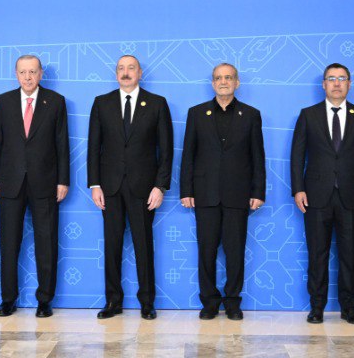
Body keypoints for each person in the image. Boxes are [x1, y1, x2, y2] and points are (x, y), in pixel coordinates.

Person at [290, 62, 354, 325]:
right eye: (331, 78)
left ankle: (349, 308)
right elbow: (297, 155)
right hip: (316, 196)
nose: (337, 83)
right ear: (323, 84)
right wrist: (298, 189)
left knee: (349, 255)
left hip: (352, 196)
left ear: (349, 84)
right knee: (317, 254)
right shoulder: (308, 115)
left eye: (342, 78)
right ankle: (316, 307)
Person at [87, 55, 173, 320]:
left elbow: (166, 150)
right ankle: (113, 301)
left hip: (144, 188)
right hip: (109, 187)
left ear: (140, 73)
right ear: (116, 74)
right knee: (112, 246)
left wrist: (160, 186)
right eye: (121, 68)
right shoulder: (101, 103)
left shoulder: (157, 104)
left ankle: (147, 302)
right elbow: (93, 147)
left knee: (143, 245)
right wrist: (94, 184)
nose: (126, 73)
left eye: (131, 68)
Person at [179, 63, 266, 320]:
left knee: (235, 251)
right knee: (206, 251)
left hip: (238, 194)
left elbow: (258, 157)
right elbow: (188, 155)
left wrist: (258, 191)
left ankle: (232, 302)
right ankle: (209, 302)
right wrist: (186, 190)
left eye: (228, 77)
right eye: (218, 78)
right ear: (212, 83)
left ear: (237, 82)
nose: (223, 81)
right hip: (204, 193)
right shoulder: (196, 113)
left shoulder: (251, 115)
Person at [0, 55, 70, 317]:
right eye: (23, 72)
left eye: (32, 72)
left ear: (41, 74)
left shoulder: (55, 101)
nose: (27, 77)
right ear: (16, 74)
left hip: (45, 182)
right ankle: (8, 299)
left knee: (46, 243)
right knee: (9, 243)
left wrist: (63, 180)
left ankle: (45, 300)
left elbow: (62, 144)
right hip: (10, 183)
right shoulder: (4, 101)